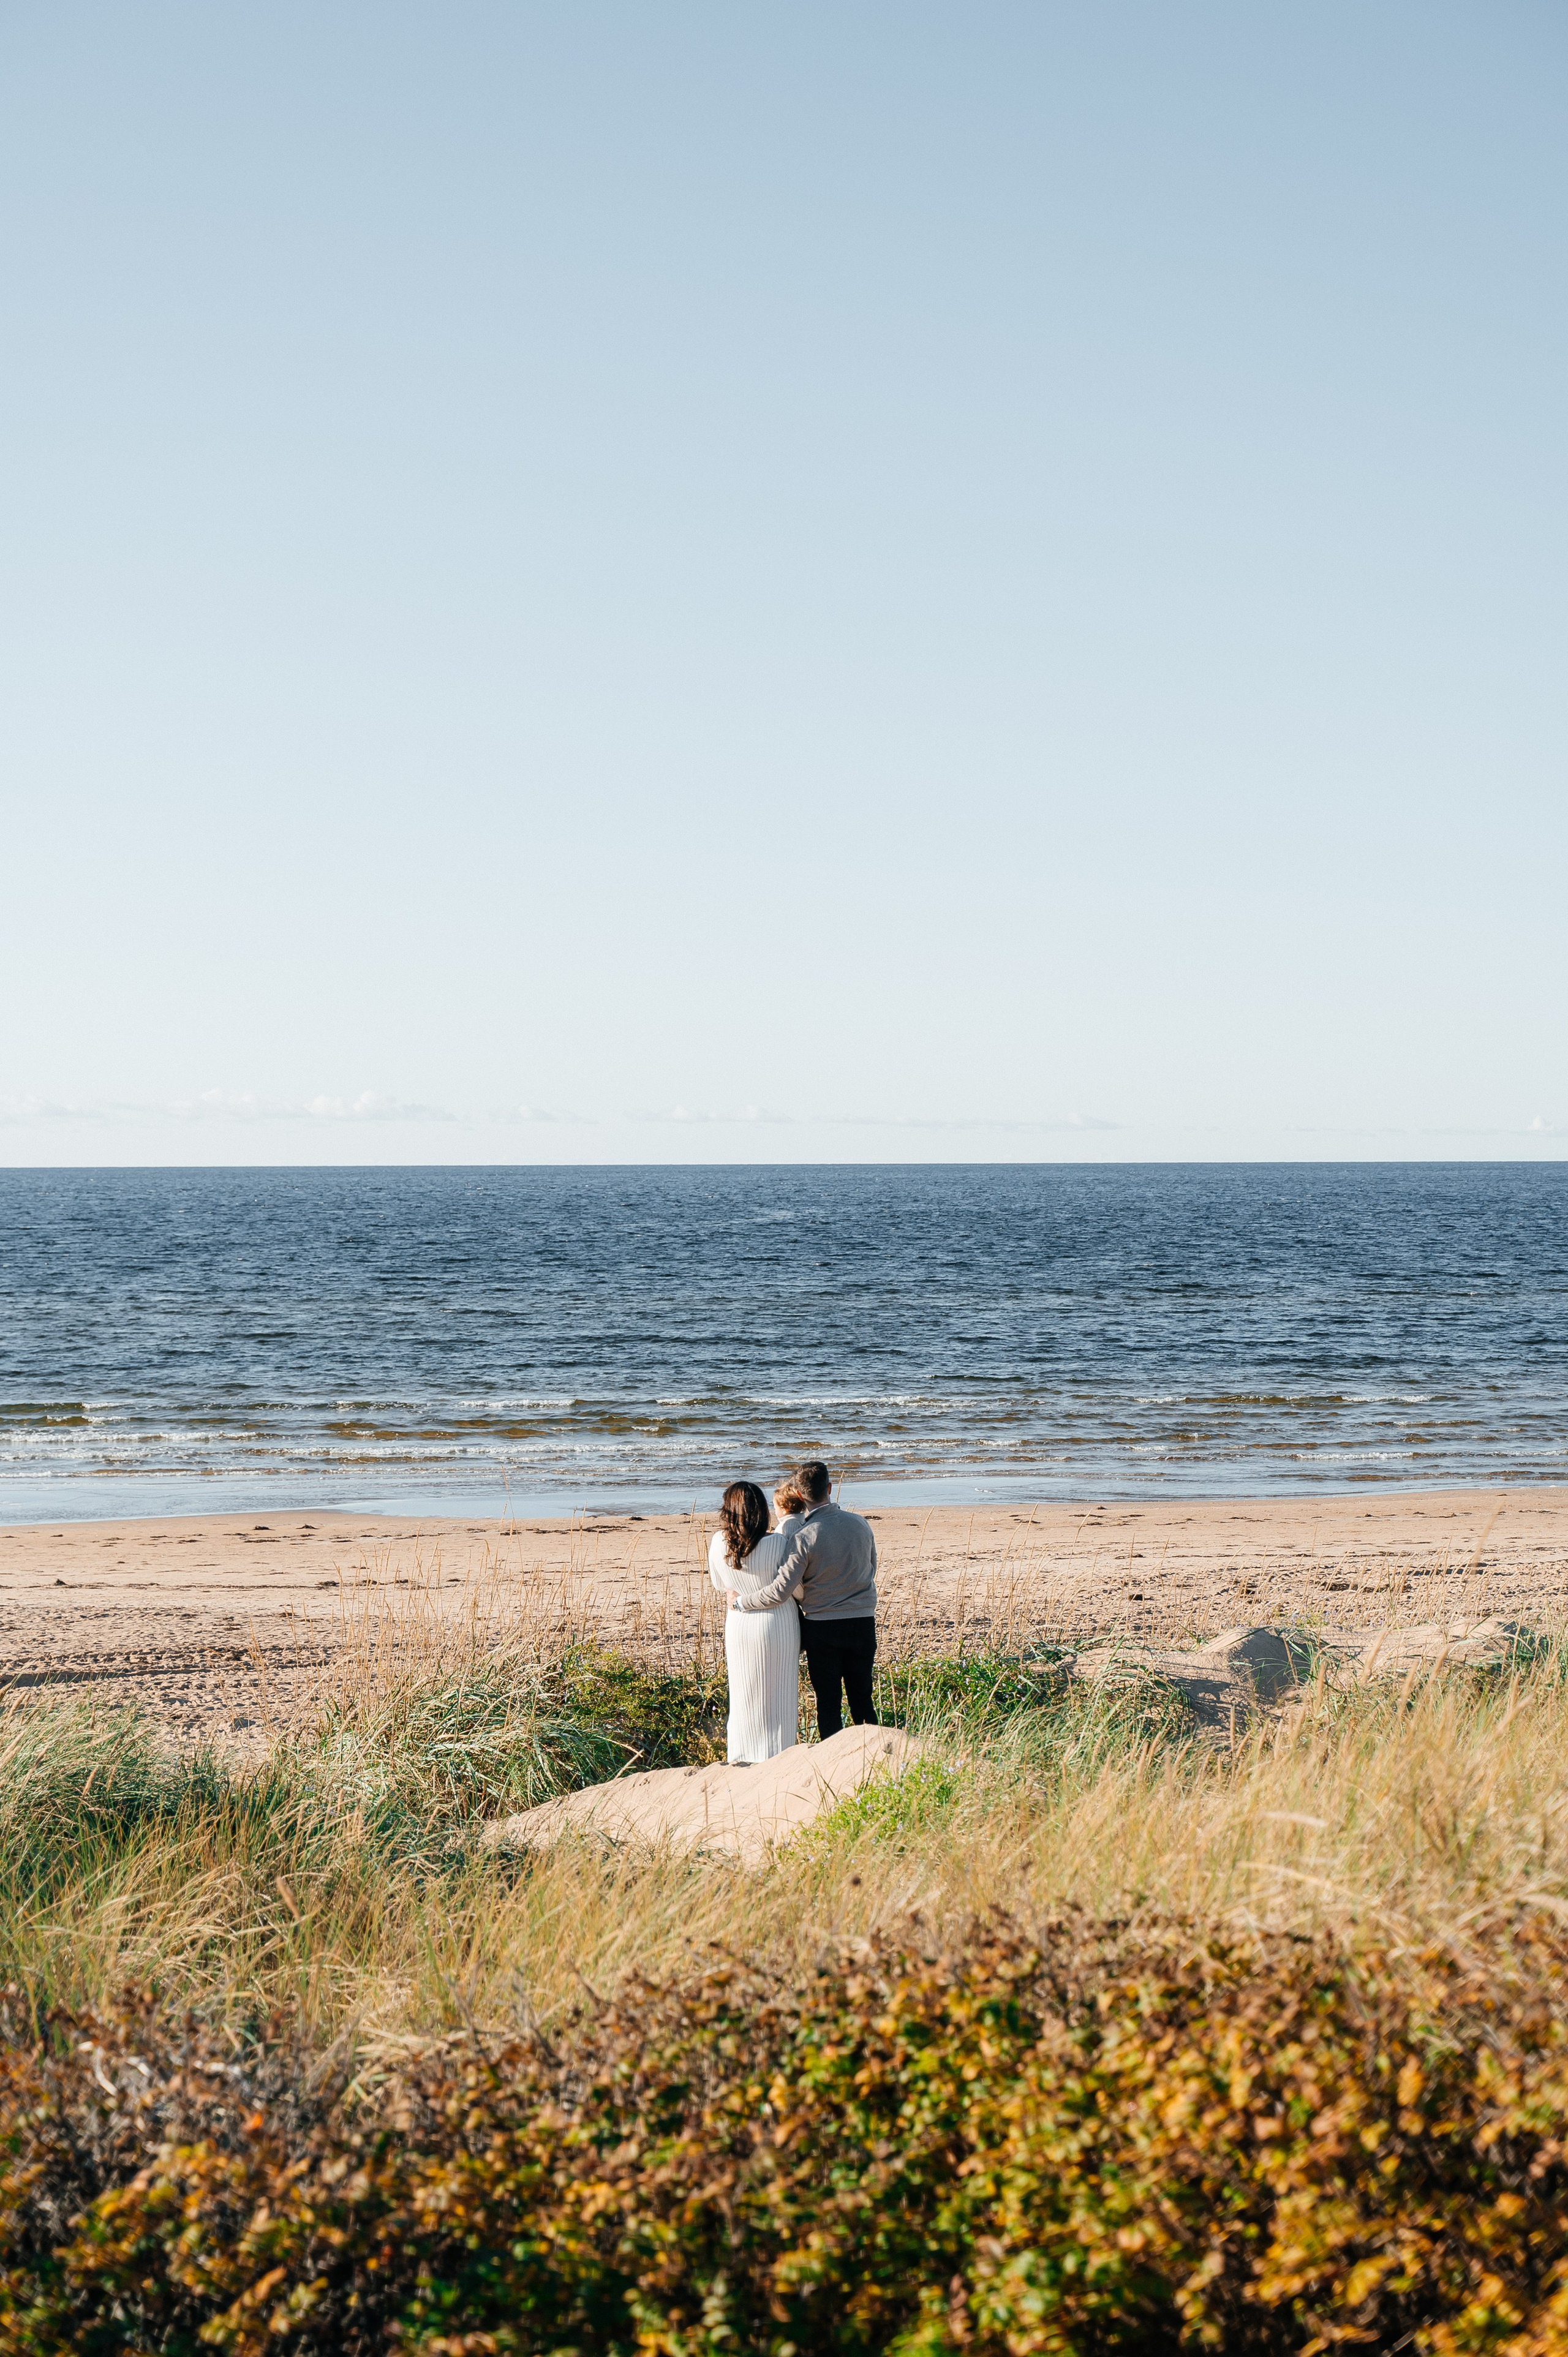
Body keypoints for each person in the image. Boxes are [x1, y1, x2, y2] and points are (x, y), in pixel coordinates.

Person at [730, 1459, 878, 1740]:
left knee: (829, 1704)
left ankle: (832, 1763)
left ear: (798, 1495)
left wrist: (741, 1602)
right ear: (830, 1488)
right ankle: (875, 1756)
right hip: (862, 1622)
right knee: (863, 1699)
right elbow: (871, 1570)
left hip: (823, 1628)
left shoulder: (803, 1537)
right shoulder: (860, 1524)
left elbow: (780, 1591)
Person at [707, 1479, 802, 1763]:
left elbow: (719, 1584)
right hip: (778, 1623)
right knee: (780, 1693)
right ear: (761, 1511)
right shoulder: (779, 1543)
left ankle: (742, 1756)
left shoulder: (717, 1542)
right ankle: (779, 1757)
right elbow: (796, 1590)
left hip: (739, 1624)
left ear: (728, 1511)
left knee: (744, 1694)